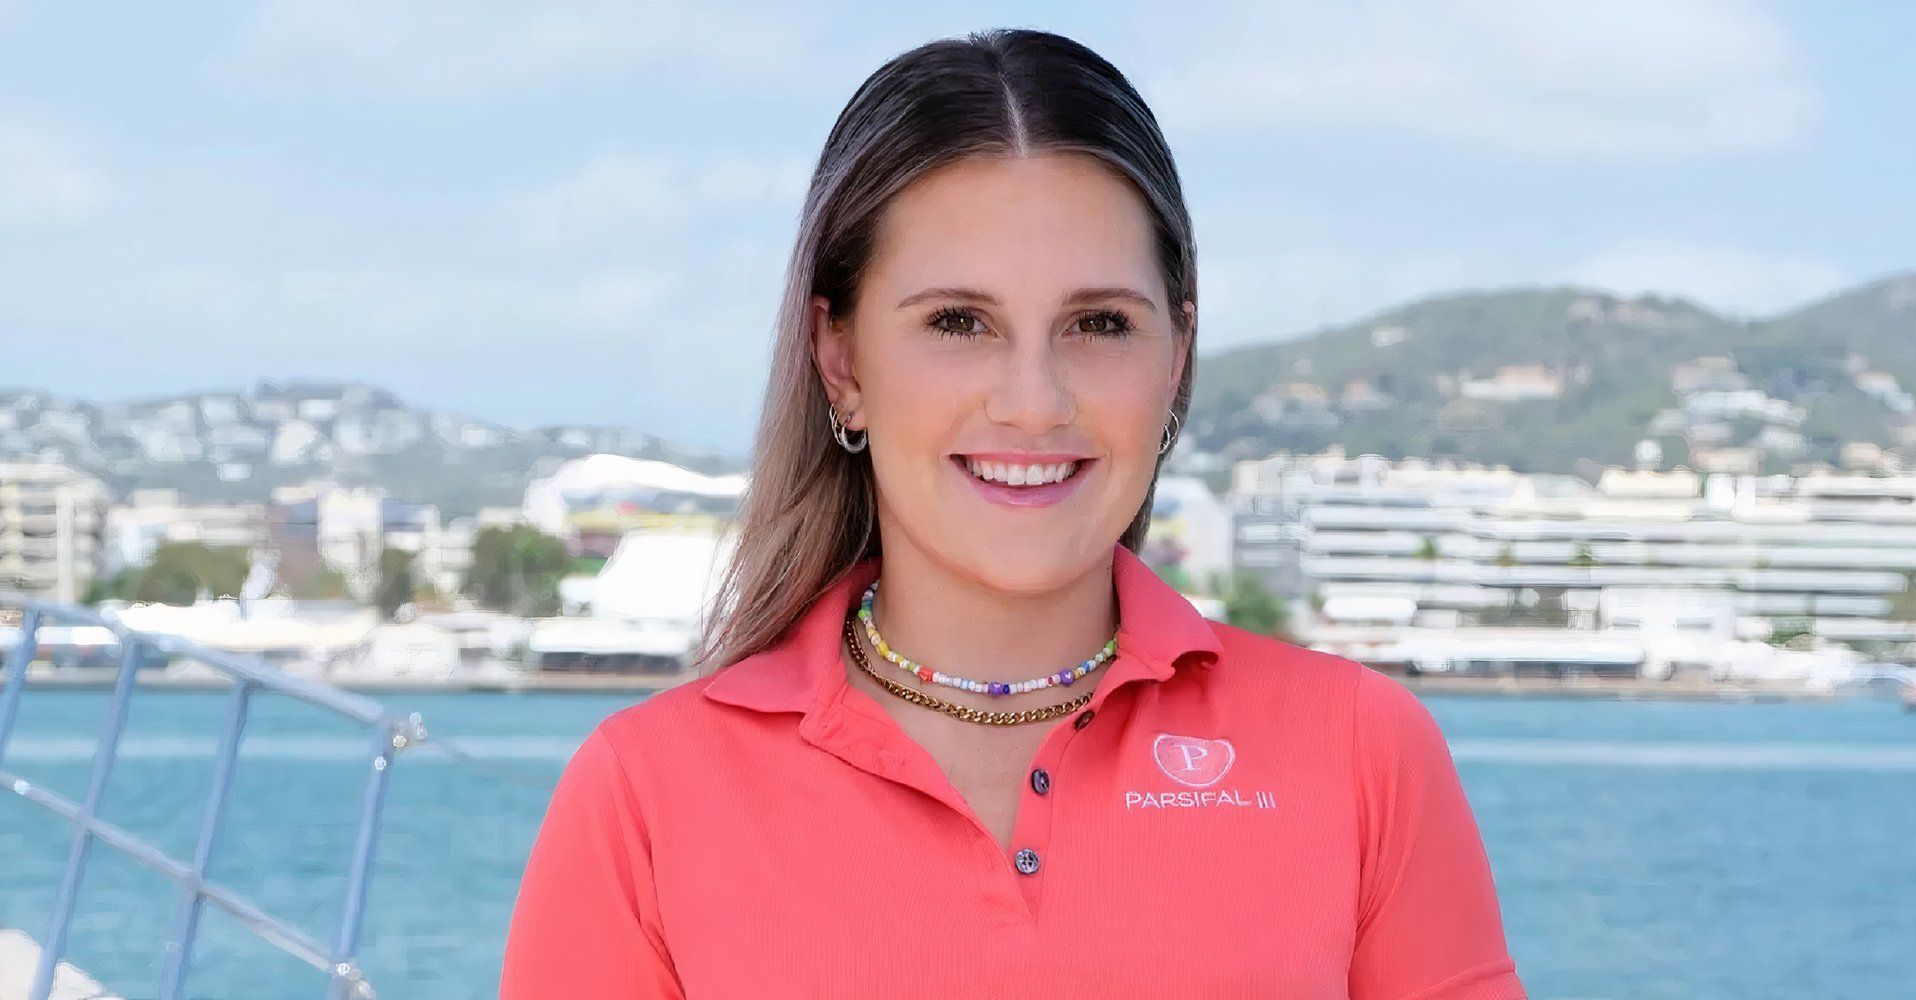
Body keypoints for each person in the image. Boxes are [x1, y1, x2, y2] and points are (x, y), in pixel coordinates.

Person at [500, 27, 1526, 999]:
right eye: (958, 322)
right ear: (841, 359)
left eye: (1096, 323)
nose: (1032, 400)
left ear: (1175, 354)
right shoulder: (645, 793)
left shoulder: (1359, 751)